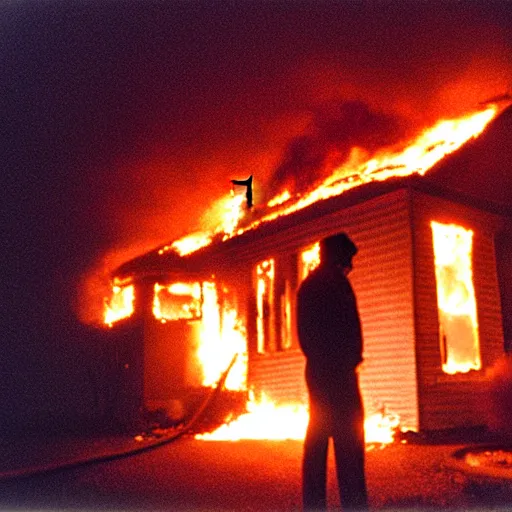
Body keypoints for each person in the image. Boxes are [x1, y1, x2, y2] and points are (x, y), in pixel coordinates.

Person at [297, 233, 368, 511]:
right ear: (338, 255)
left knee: (317, 439)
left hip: (318, 372)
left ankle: (314, 504)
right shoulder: (337, 285)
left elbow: (306, 335)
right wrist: (348, 361)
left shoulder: (309, 285)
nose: (350, 264)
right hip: (339, 375)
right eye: (348, 258)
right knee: (349, 441)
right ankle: (354, 503)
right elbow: (348, 328)